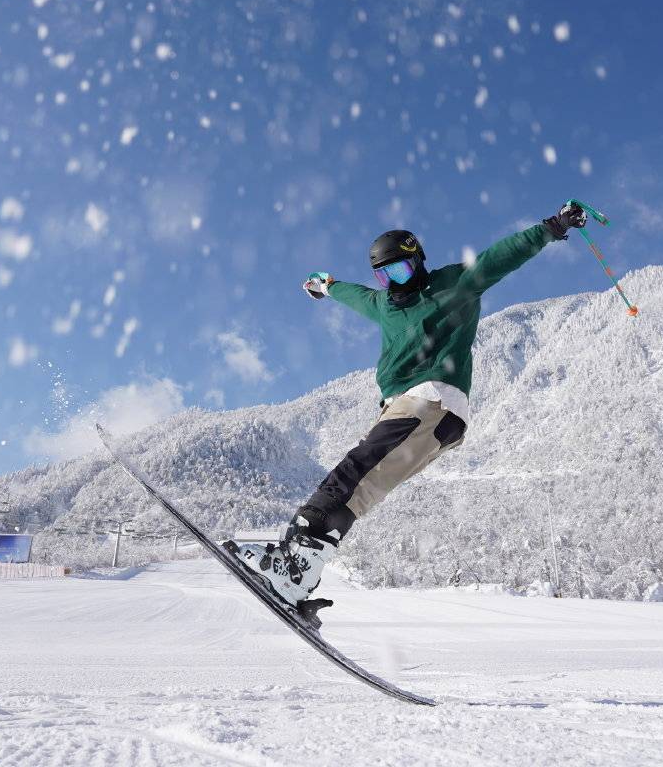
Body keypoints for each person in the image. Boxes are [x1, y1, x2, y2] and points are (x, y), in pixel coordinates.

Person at [228, 201, 590, 614]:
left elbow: (499, 257)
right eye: (385, 275)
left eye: (400, 271)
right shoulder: (385, 305)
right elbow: (355, 295)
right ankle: (299, 576)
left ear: (418, 263)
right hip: (420, 415)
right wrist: (326, 285)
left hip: (430, 399)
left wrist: (552, 226)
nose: (393, 282)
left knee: (353, 471)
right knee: (362, 489)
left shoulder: (454, 285)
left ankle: (293, 560)